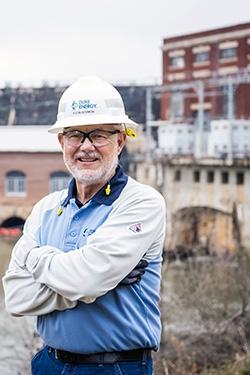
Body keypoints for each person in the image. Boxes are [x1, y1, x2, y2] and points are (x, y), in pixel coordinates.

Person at [2, 76, 166, 375]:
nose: (86, 146)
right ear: (61, 142)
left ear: (120, 140)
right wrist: (94, 285)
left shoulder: (141, 203)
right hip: (48, 363)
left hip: (118, 367)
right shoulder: (46, 209)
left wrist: (35, 258)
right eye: (75, 134)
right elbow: (16, 296)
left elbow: (85, 280)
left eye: (99, 134)